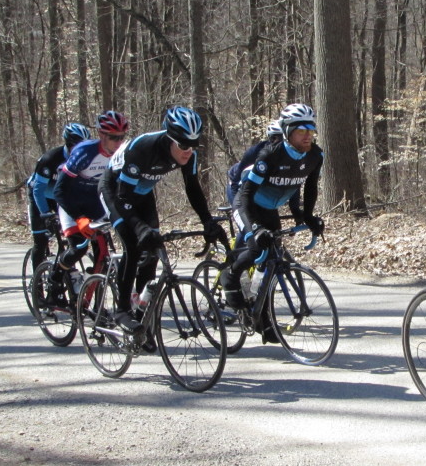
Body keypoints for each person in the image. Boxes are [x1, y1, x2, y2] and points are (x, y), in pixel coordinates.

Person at [99, 105, 226, 340]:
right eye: (184, 146)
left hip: (143, 192)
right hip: (115, 191)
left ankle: (141, 318)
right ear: (170, 138)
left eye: (195, 145)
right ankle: (121, 310)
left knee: (153, 253)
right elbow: (123, 198)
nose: (189, 151)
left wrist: (207, 221)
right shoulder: (143, 148)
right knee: (133, 245)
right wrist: (140, 228)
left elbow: (192, 187)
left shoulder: (189, 153)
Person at [220, 103, 325, 342]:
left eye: (311, 129)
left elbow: (310, 187)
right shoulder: (269, 155)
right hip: (247, 203)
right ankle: (230, 274)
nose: (308, 135)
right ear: (287, 131)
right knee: (257, 246)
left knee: (272, 262)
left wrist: (307, 216)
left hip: (270, 208)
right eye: (301, 130)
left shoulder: (316, 155)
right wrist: (254, 229)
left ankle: (263, 320)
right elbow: (245, 194)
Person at [45, 111, 129, 308]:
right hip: (71, 202)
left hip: (95, 205)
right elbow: (60, 190)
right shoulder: (85, 152)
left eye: (122, 137)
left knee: (103, 254)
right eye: (113, 137)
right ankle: (54, 281)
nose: (118, 142)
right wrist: (79, 218)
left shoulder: (122, 154)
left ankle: (84, 301)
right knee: (79, 247)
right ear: (101, 134)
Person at [26, 122, 92, 270]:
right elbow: (38, 190)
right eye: (79, 145)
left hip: (61, 198)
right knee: (41, 240)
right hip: (40, 196)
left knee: (73, 236)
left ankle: (66, 268)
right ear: (69, 143)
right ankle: (38, 286)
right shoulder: (51, 158)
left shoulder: (85, 159)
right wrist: (46, 214)